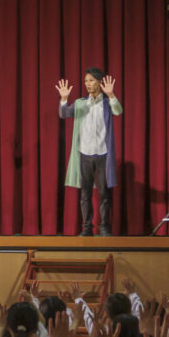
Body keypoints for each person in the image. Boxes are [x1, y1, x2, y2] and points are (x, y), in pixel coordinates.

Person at [57, 68, 123, 236]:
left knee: (104, 193)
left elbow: (118, 111)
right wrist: (64, 99)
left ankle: (104, 227)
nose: (87, 84)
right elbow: (64, 114)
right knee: (85, 193)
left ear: (100, 82)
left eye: (91, 80)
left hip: (102, 154)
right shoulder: (80, 103)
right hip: (84, 153)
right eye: (86, 81)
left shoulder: (108, 103)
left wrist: (112, 95)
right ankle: (87, 228)